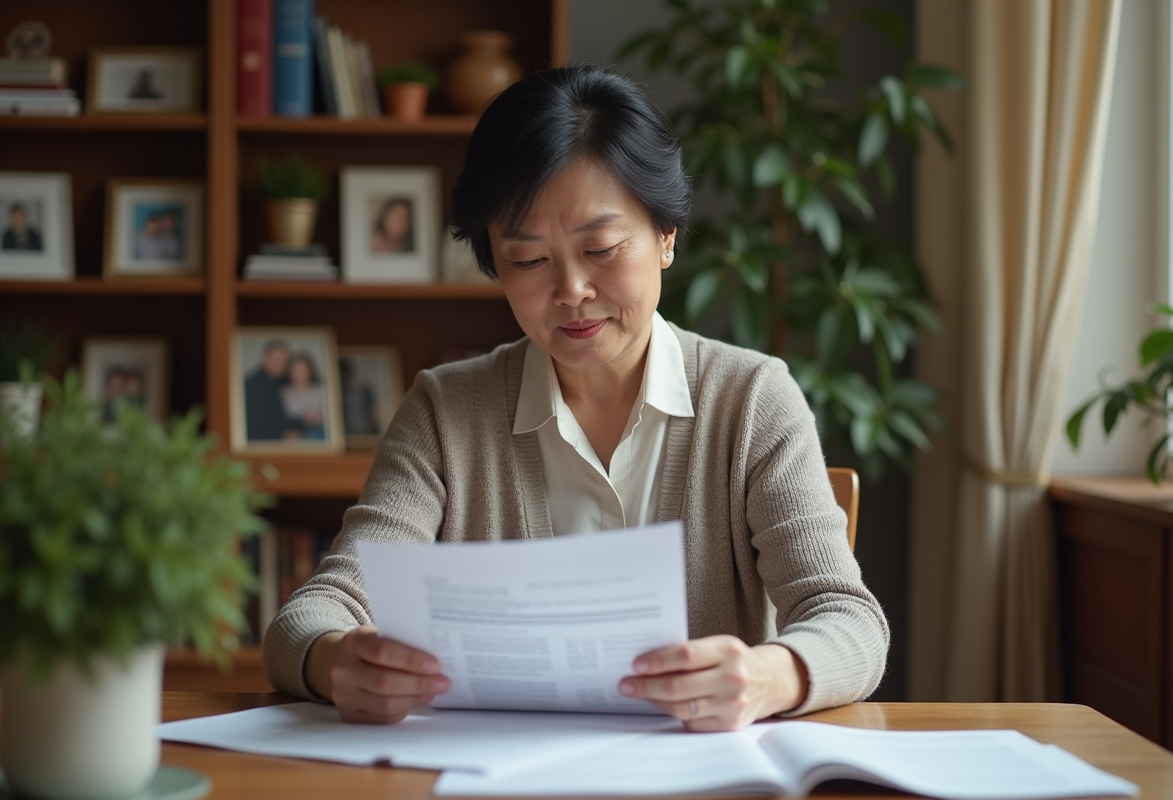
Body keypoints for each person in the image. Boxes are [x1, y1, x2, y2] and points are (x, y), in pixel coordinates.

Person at [263, 65, 888, 732]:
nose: (571, 291)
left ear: (666, 236)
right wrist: (338, 662)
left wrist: (769, 676)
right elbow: (310, 616)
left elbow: (848, 620)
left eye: (601, 248)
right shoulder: (446, 412)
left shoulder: (752, 400)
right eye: (528, 261)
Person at [244, 340, 301, 441]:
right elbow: (260, 423)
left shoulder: (286, 381)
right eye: (276, 359)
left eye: (284, 361)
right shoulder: (251, 385)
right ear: (264, 358)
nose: (280, 364)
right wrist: (304, 421)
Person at [280, 352, 326, 440]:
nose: (301, 374)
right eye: (296, 370)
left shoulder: (321, 390)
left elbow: (332, 416)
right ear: (289, 372)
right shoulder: (283, 393)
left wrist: (320, 417)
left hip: (319, 433)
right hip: (292, 435)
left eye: (304, 370)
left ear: (310, 371)